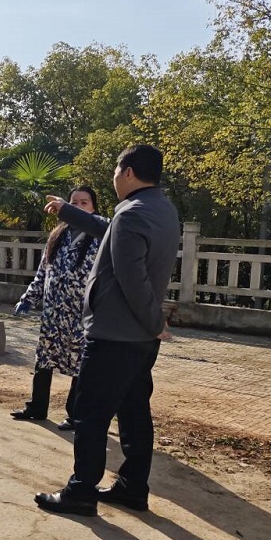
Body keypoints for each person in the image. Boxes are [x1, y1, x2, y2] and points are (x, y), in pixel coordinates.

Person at [35, 145, 180, 516]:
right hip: (138, 341)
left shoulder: (131, 213)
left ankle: (81, 492)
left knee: (90, 415)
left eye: (117, 170)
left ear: (128, 172)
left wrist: (156, 323)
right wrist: (68, 211)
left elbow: (133, 280)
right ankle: (133, 488)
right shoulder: (160, 209)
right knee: (134, 413)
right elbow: (110, 230)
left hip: (115, 336)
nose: (114, 177)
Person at [11, 186, 104, 429]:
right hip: (53, 312)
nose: (78, 207)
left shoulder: (100, 237)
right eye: (74, 203)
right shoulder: (57, 235)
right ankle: (37, 407)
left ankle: (75, 415)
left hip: (82, 314)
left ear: (94, 208)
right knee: (44, 358)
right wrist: (28, 298)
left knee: (80, 363)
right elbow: (43, 272)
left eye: (84, 203)